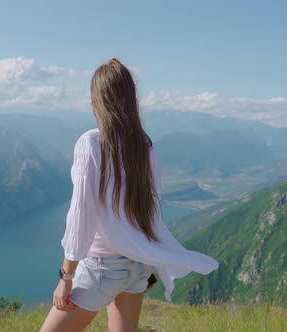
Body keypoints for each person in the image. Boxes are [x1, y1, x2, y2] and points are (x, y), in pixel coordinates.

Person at [40, 58, 219, 332]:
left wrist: (66, 277)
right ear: (130, 98)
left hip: (102, 267)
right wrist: (150, 253)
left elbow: (81, 216)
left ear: (96, 98)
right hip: (138, 265)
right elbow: (151, 208)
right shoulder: (143, 144)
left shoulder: (91, 143)